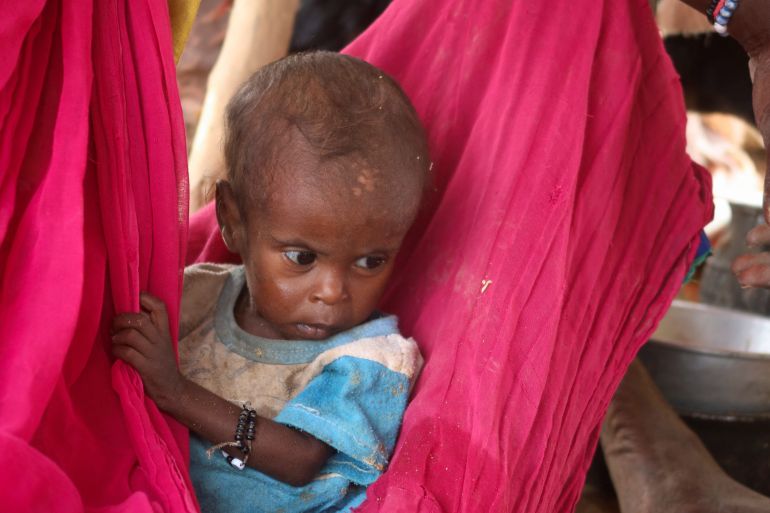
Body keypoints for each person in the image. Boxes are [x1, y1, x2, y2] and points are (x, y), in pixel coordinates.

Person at [110, 51, 428, 513]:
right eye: (302, 257)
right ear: (233, 220)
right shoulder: (195, 296)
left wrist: (173, 390)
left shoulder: (369, 358)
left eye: (370, 261)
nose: (333, 291)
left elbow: (299, 460)